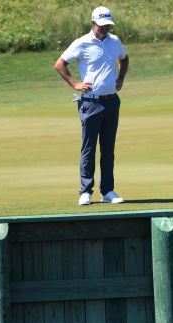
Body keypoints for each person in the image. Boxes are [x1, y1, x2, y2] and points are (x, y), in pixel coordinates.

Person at [54, 6, 129, 206]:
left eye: (108, 25)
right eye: (102, 25)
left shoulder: (115, 42)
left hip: (112, 102)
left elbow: (125, 58)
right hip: (90, 102)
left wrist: (121, 78)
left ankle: (108, 191)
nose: (105, 29)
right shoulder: (82, 43)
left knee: (108, 148)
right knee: (88, 148)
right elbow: (60, 64)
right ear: (93, 23)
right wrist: (75, 84)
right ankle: (85, 191)